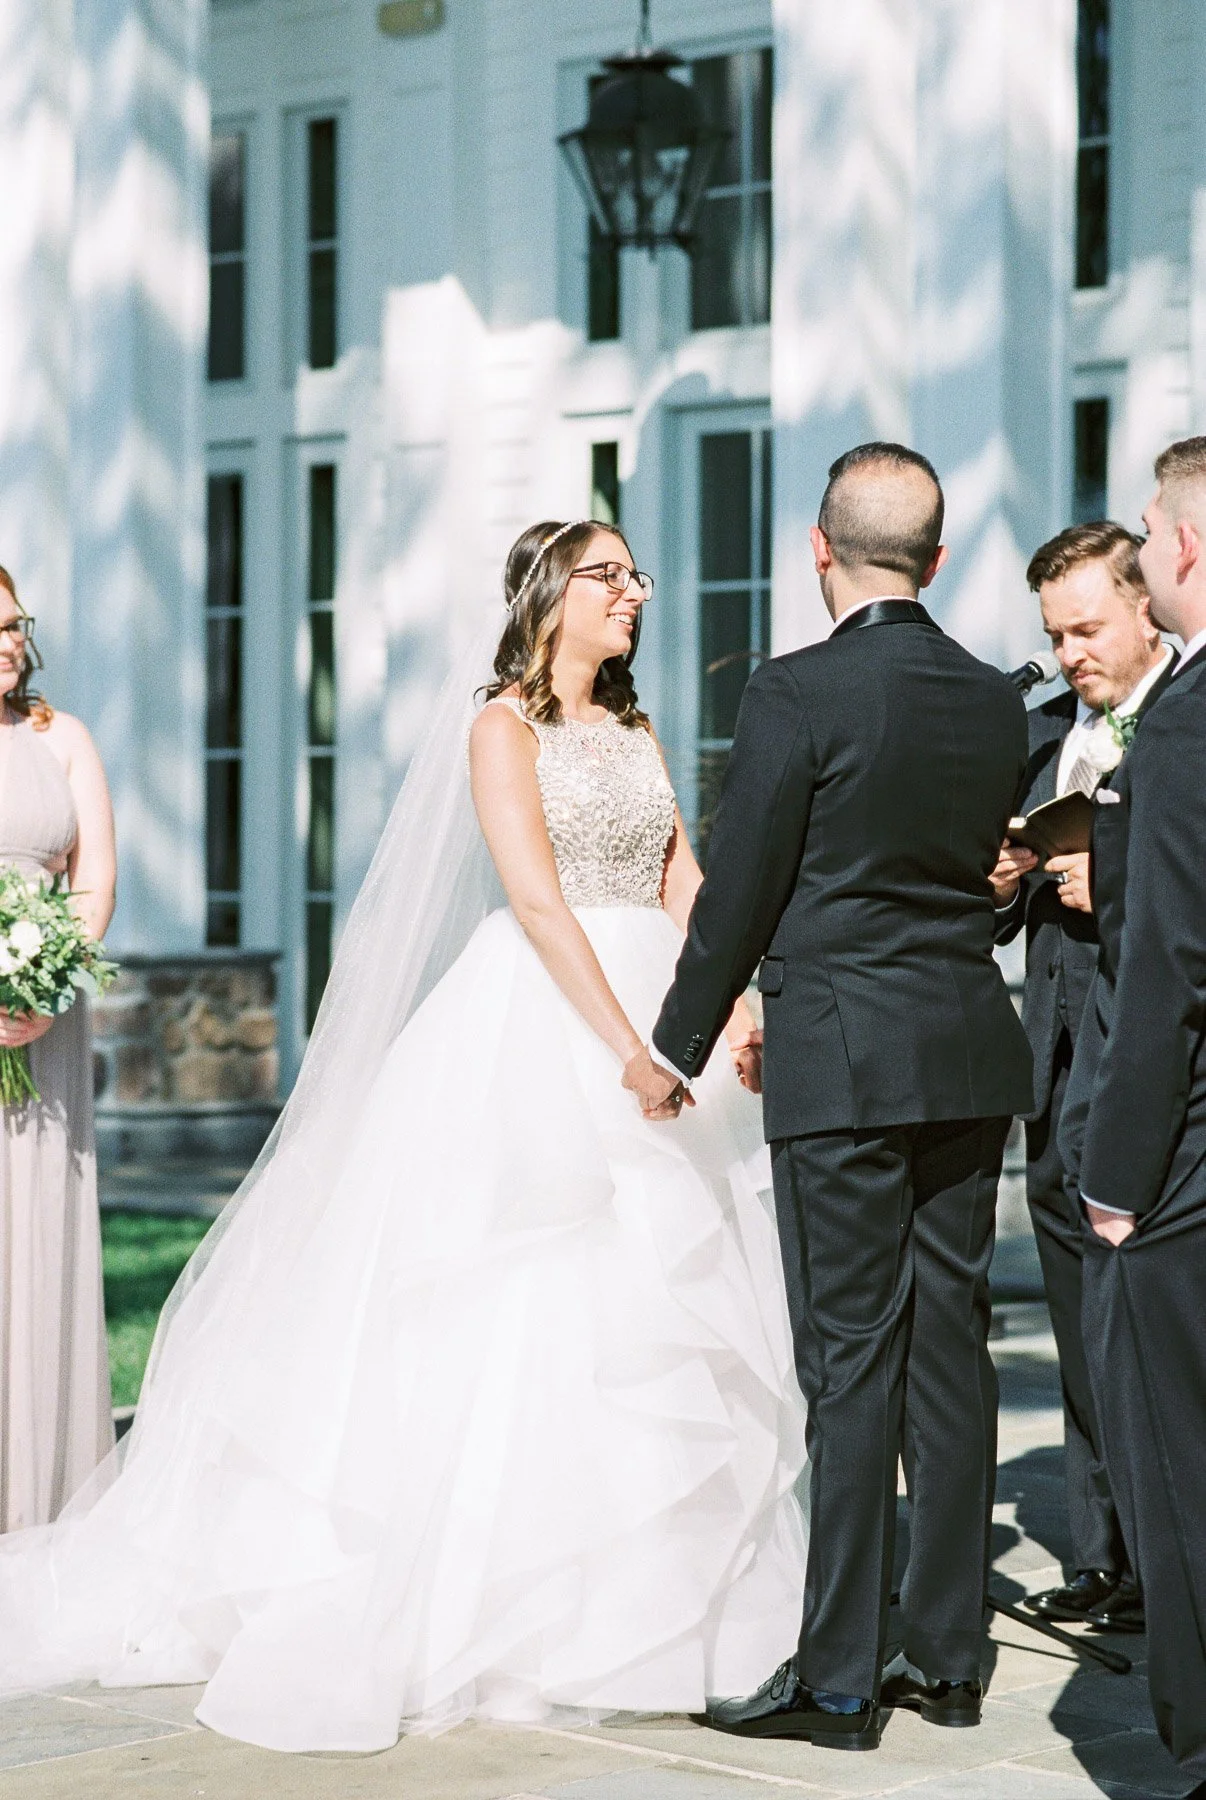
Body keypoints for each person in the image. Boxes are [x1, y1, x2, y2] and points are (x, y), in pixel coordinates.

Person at [0, 521, 807, 1754]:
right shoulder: (502, 728)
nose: (636, 592)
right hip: (555, 1019)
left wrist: (732, 997)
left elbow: (682, 878)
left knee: (670, 1306)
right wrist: (626, 1049)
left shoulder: (635, 732)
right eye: (611, 576)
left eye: (638, 574)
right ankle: (513, 1611)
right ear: (551, 596)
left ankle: (674, 1614)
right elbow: (537, 898)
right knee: (532, 1301)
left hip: (666, 1006)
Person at [633, 443, 1034, 1749]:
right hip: (966, 1051)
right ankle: (949, 1656)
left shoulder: (794, 690)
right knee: (948, 1351)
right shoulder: (988, 698)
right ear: (939, 551)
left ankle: (843, 1678)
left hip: (845, 1066)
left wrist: (675, 1039)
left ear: (819, 549)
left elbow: (743, 879)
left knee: (849, 1365)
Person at [991, 523, 1172, 1633]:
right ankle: (1105, 1558)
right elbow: (1001, 909)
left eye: (1087, 628)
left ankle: (1172, 1564)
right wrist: (1006, 878)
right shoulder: (1045, 735)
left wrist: (1114, 888)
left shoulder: (1186, 728)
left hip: (1153, 1065)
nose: (1068, 655)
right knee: (1077, 1319)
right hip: (1057, 1069)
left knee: (1155, 1321)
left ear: (1147, 604)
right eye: (1054, 635)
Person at [1059, 439, 1206, 1791]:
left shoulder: (1184, 723)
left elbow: (1163, 968)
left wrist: (1114, 1175)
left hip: (1191, 1163)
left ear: (1185, 547)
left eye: (1156, 535)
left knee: (1180, 1463)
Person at [0, 566, 116, 1531]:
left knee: (36, 1225)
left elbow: (95, 878)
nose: (8, 644)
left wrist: (44, 985)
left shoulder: (61, 738)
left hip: (44, 1021)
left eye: (14, 626)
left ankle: (42, 1496)